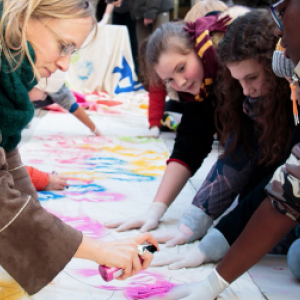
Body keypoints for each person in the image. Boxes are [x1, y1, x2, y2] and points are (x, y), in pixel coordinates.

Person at [0, 0, 157, 295]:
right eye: (64, 46)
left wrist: (44, 249)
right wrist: (99, 251)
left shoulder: (9, 80)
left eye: (71, 52)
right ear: (24, 18)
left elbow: (11, 167)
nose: (64, 64)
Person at [148, 1, 300, 298]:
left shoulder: (286, 91)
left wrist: (214, 257)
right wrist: (190, 225)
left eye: (252, 78)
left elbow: (286, 191)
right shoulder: (251, 96)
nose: (246, 90)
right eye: (238, 81)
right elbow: (235, 157)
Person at [106, 7, 250, 233]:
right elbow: (189, 145)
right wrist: (155, 210)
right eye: (170, 79)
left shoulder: (235, 72)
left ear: (197, 49)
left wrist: (199, 215)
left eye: (182, 68)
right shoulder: (199, 90)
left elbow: (245, 148)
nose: (181, 83)